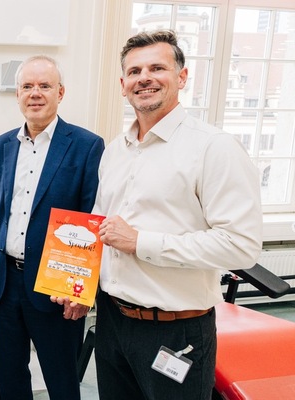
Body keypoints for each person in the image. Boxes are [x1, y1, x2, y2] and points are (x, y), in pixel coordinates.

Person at [93, 30, 263, 400]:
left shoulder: (214, 148)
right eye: (135, 71)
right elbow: (100, 226)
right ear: (123, 85)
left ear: (182, 77)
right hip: (112, 322)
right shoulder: (115, 151)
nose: (145, 78)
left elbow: (242, 246)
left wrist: (142, 243)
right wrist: (75, 283)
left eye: (157, 67)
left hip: (175, 331)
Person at [0, 55, 105, 399]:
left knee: (62, 380)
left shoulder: (87, 146)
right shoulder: (0, 146)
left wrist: (81, 292)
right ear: (17, 95)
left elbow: (91, 220)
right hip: (4, 283)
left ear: (61, 93)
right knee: (11, 377)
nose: (35, 93)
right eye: (27, 86)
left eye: (44, 86)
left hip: (56, 285)